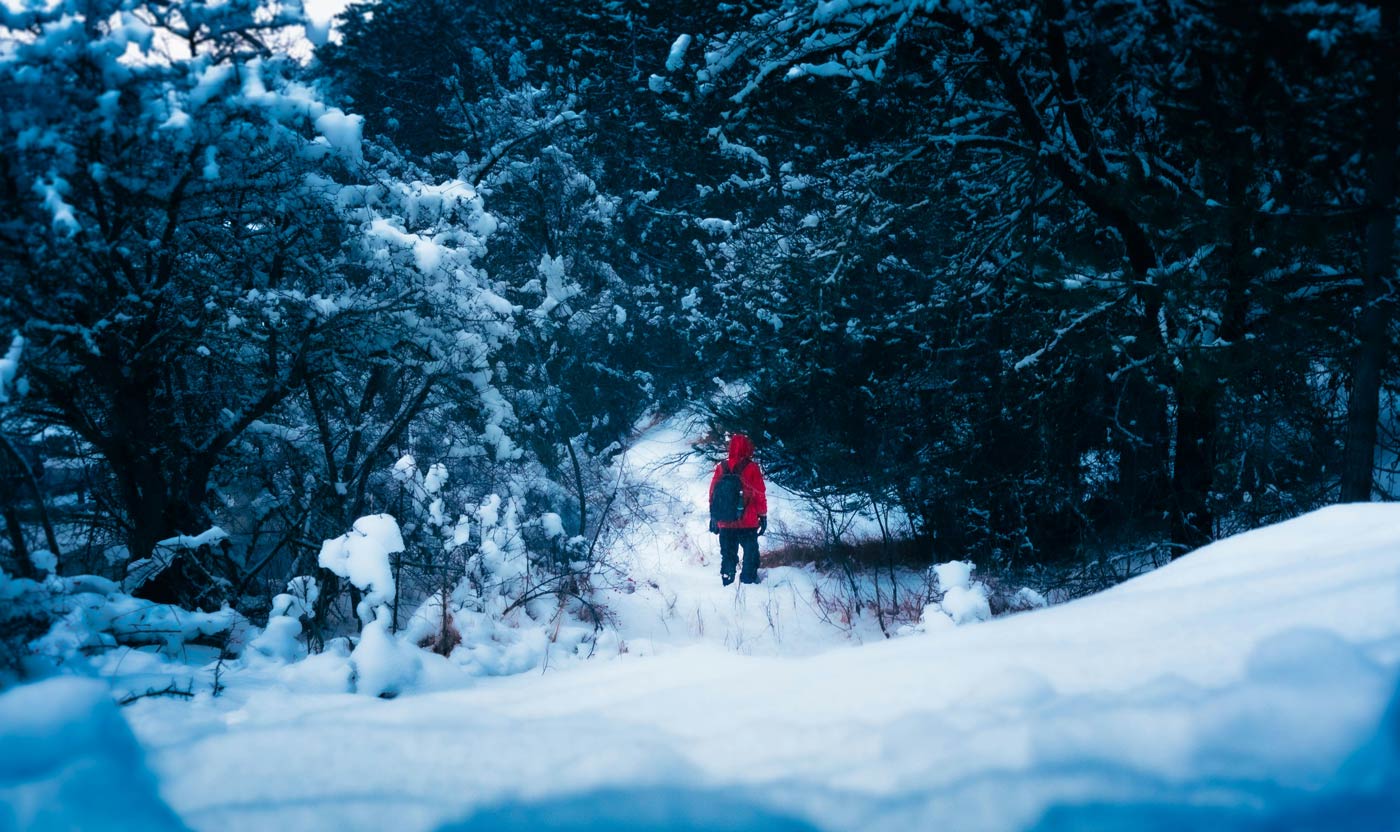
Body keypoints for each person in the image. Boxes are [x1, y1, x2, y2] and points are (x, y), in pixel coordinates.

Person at [708, 433, 767, 585]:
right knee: (750, 553)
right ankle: (748, 580)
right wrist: (763, 515)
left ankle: (727, 579)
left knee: (727, 554)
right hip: (747, 522)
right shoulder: (752, 468)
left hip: (726, 521)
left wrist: (713, 516)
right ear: (747, 448)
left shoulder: (721, 467)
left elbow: (713, 492)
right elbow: (760, 493)